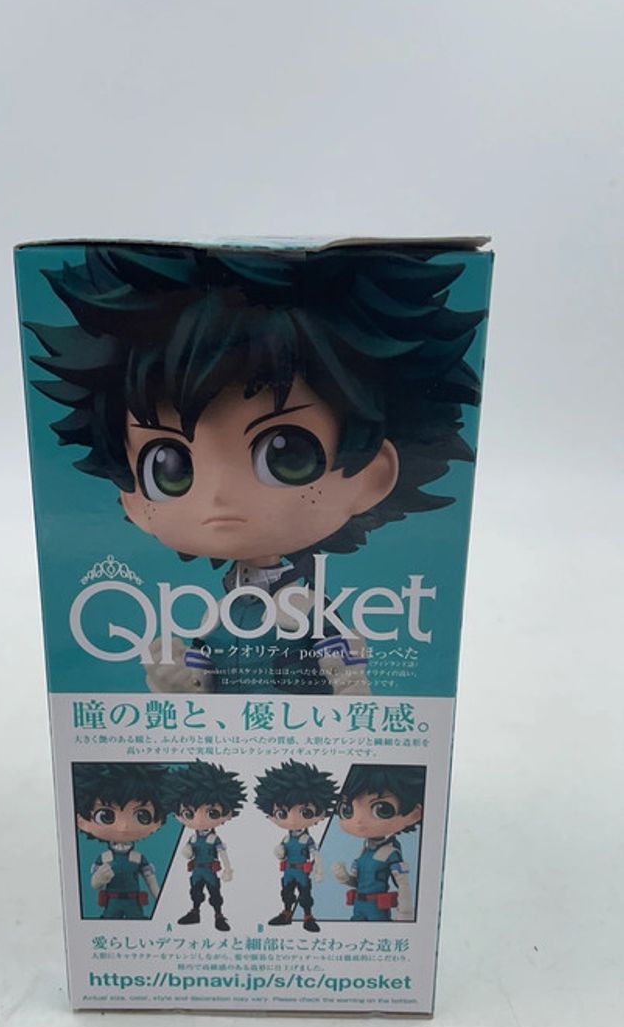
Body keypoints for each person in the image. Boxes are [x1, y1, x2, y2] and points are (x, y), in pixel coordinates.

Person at [28, 243, 484, 693]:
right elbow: (203, 680)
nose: (218, 495)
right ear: (132, 499)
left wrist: (351, 685)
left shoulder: (308, 608)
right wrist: (175, 684)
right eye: (170, 469)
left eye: (286, 455)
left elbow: (348, 681)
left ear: (373, 473)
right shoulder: (220, 613)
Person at [332, 765, 425, 922]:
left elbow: (402, 884)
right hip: (358, 906)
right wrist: (343, 877)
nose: (359, 821)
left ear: (413, 815)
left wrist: (406, 912)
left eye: (382, 809)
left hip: (376, 909)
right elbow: (356, 881)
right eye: (347, 810)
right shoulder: (362, 853)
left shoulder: (390, 853)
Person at [74, 762, 166, 919]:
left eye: (142, 816)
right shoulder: (104, 858)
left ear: (158, 822)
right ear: (82, 822)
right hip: (112, 903)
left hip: (133, 903)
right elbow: (95, 885)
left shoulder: (138, 858)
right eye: (106, 816)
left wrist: (161, 900)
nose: (124, 827)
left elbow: (151, 882)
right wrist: (99, 879)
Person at [254, 759, 337, 932]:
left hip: (301, 871)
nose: (292, 820)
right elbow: (281, 852)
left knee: (305, 894)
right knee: (286, 893)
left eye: (305, 812)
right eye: (282, 813)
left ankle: (308, 916)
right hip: (288, 871)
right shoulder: (286, 838)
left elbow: (315, 854)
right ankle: (286, 913)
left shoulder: (307, 839)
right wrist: (279, 853)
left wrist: (319, 870)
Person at [165, 761, 246, 932]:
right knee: (195, 892)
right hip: (196, 870)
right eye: (189, 813)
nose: (200, 820)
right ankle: (195, 912)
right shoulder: (193, 838)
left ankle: (218, 915)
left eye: (212, 813)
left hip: (210, 870)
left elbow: (223, 854)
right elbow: (187, 852)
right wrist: (186, 852)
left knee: (214, 893)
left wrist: (228, 869)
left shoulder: (213, 839)